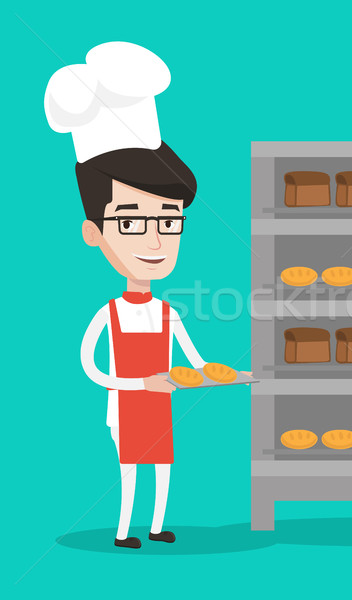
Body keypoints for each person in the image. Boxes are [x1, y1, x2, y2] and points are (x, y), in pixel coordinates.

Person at [44, 42, 245, 549]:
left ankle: (157, 526)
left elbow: (195, 360)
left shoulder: (168, 311)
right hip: (129, 405)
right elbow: (88, 366)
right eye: (131, 221)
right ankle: (122, 529)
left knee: (163, 468)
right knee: (132, 468)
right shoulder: (108, 312)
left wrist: (232, 375)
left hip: (162, 405)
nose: (155, 240)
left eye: (169, 219)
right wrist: (134, 384)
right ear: (94, 232)